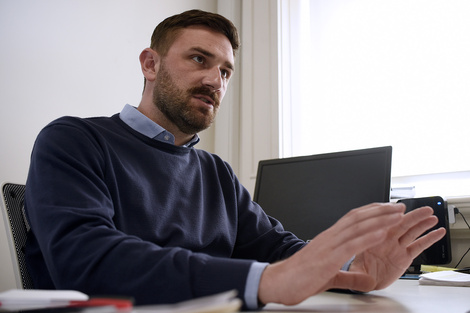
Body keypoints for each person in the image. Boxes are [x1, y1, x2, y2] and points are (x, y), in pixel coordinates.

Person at [24, 9, 446, 310]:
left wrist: (352, 269)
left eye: (225, 72)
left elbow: (278, 249)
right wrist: (262, 281)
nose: (214, 81)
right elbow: (85, 259)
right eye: (198, 59)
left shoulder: (214, 172)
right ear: (150, 64)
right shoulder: (73, 140)